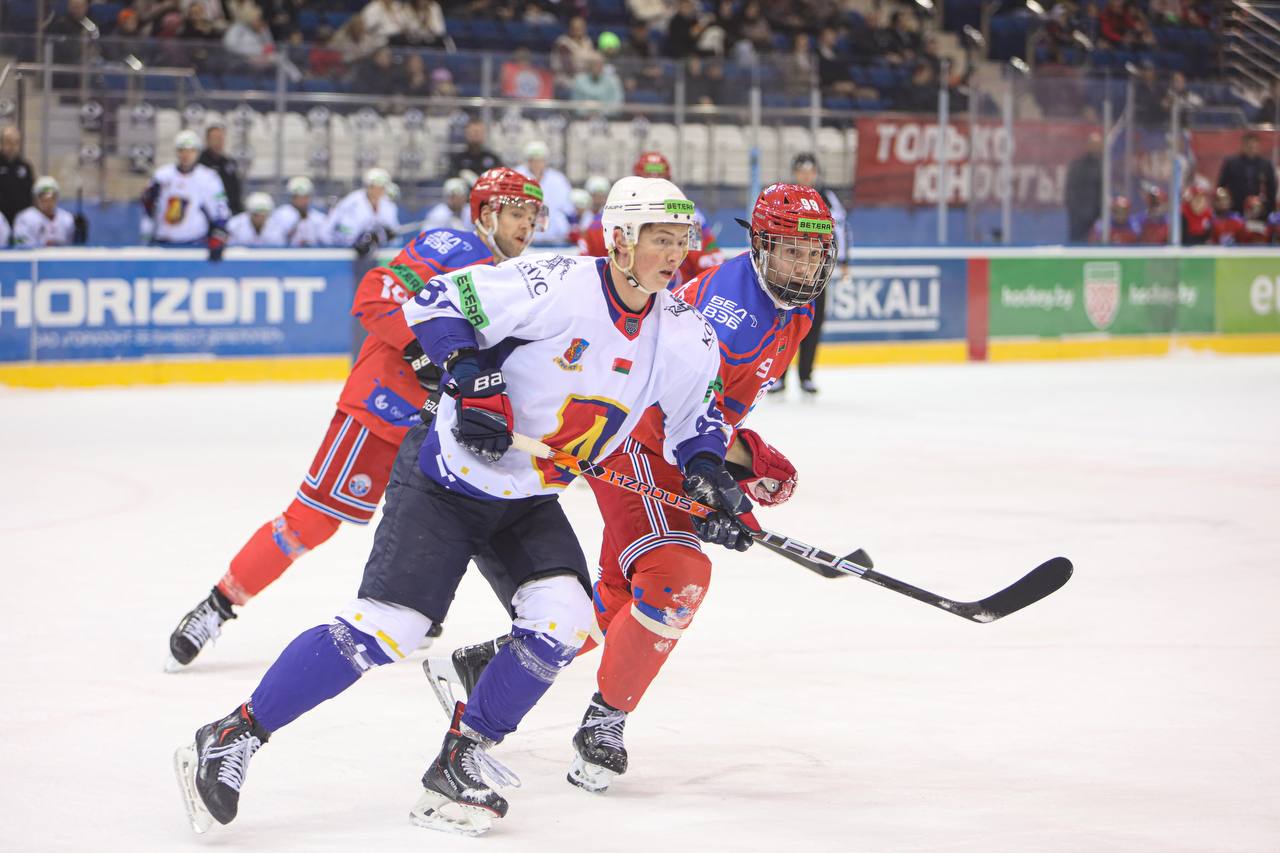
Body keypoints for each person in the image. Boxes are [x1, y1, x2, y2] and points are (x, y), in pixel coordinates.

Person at [174, 175, 748, 838]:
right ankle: (233, 733)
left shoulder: (684, 334)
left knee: (563, 620)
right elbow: (438, 301)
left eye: (682, 240)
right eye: (660, 239)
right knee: (392, 627)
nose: (675, 254)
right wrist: (471, 376)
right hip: (448, 477)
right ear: (620, 238)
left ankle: (461, 756)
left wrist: (708, 476)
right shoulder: (557, 282)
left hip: (527, 496)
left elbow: (697, 424)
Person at [428, 182, 837, 795]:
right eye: (791, 252)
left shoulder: (794, 310)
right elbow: (672, 413)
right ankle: (604, 723)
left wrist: (736, 466)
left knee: (624, 595)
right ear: (760, 246)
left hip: (680, 451)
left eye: (814, 254)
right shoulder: (729, 315)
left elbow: (712, 416)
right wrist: (736, 468)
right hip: (636, 443)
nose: (804, 267)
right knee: (676, 577)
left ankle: (487, 665)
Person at [165, 168, 545, 671]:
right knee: (310, 522)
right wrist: (419, 350)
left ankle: (419, 605)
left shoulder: (519, 279)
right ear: (486, 214)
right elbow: (376, 294)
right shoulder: (452, 246)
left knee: (461, 520)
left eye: (532, 216)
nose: (526, 226)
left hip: (438, 426)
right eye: (516, 213)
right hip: (380, 410)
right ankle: (218, 605)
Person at [578, 151, 724, 284]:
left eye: (660, 181)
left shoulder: (692, 220)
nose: (655, 188)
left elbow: (708, 267)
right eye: (648, 181)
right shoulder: (607, 220)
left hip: (674, 299)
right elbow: (587, 271)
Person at [770, 152, 846, 396]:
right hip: (785, 270)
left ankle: (806, 376)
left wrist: (844, 260)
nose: (806, 176)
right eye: (801, 171)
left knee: (813, 322)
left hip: (816, 271)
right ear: (795, 173)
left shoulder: (827, 198)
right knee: (783, 321)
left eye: (810, 171)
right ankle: (777, 376)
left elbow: (841, 228)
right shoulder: (783, 196)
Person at [142, 129, 230, 260]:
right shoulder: (162, 176)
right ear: (176, 151)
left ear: (197, 152)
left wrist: (218, 236)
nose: (186, 155)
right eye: (182, 150)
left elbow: (221, 209)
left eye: (191, 151)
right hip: (163, 243)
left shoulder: (208, 178)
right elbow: (148, 208)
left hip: (195, 244)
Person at [324, 167, 400, 249]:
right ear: (369, 186)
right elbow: (343, 230)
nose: (379, 190)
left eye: (382, 187)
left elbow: (394, 233)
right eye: (376, 186)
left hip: (380, 252)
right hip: (347, 250)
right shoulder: (352, 201)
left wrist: (387, 237)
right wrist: (360, 240)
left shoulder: (389, 205)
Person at [515, 140, 574, 245]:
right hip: (524, 238)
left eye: (540, 160)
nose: (537, 164)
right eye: (533, 160)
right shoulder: (516, 176)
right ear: (528, 160)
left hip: (555, 239)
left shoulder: (558, 180)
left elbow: (569, 209)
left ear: (545, 161)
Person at [1217, 133, 1278, 218]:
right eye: (1248, 145)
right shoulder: (1231, 163)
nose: (1251, 148)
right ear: (1242, 145)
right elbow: (1221, 185)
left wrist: (1268, 208)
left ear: (1258, 146)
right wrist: (1224, 203)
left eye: (1253, 146)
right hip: (1235, 209)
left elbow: (1272, 188)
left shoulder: (1266, 165)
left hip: (1259, 210)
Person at [12, 176, 79, 247]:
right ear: (36, 199)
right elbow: (21, 245)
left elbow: (71, 246)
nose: (48, 203)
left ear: (57, 198)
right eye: (43, 198)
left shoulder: (67, 218)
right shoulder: (24, 219)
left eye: (52, 198)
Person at [1065, 131, 1103, 243]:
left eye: (1098, 144)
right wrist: (1076, 211)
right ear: (1088, 145)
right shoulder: (1078, 165)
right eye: (1093, 144)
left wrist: (1100, 213)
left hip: (1098, 216)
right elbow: (1070, 190)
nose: (1096, 147)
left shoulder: (1105, 165)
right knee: (1078, 242)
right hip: (1080, 216)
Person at [266, 176, 327, 247]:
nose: (302, 200)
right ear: (292, 197)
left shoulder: (319, 218)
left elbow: (325, 241)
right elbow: (274, 240)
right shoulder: (281, 214)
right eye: (298, 197)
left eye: (305, 197)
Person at [197, 124, 243, 215]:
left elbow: (235, 190)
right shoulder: (199, 164)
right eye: (215, 139)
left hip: (230, 210)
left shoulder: (229, 163)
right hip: (207, 212)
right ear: (207, 140)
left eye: (221, 139)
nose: (218, 142)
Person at [0, 126, 35, 228]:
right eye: (8, 142)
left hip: (22, 220)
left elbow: (31, 193)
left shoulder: (25, 167)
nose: (12, 146)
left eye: (15, 142)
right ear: (2, 143)